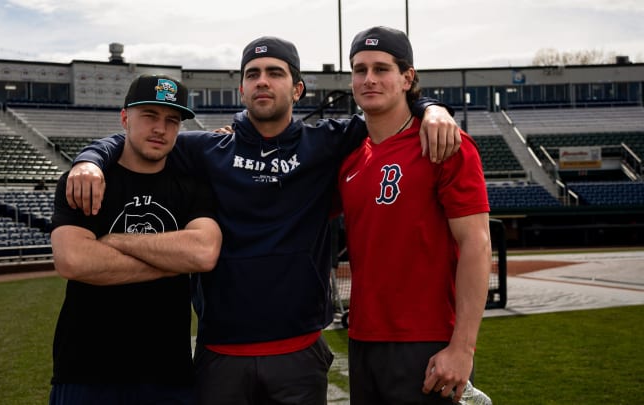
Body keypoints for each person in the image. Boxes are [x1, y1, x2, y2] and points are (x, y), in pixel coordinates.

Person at [64, 36, 461, 405]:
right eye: (252, 74)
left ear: (298, 88)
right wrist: (90, 158)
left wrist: (433, 108)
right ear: (242, 89)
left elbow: (390, 110)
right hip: (221, 352)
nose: (263, 82)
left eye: (275, 73)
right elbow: (141, 136)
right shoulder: (207, 149)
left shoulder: (328, 142)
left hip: (299, 352)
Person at [338, 26, 492, 404]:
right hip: (362, 340)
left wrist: (463, 349)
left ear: (407, 77)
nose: (369, 79)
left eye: (381, 68)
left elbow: (476, 242)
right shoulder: (350, 158)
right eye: (360, 70)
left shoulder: (444, 143)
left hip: (426, 343)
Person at [48, 74, 222, 405]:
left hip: (168, 375)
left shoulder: (192, 187)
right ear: (125, 118)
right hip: (86, 372)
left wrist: (115, 241)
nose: (161, 128)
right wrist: (171, 262)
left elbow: (202, 253)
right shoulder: (86, 181)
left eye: (172, 120)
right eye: (150, 116)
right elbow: (74, 260)